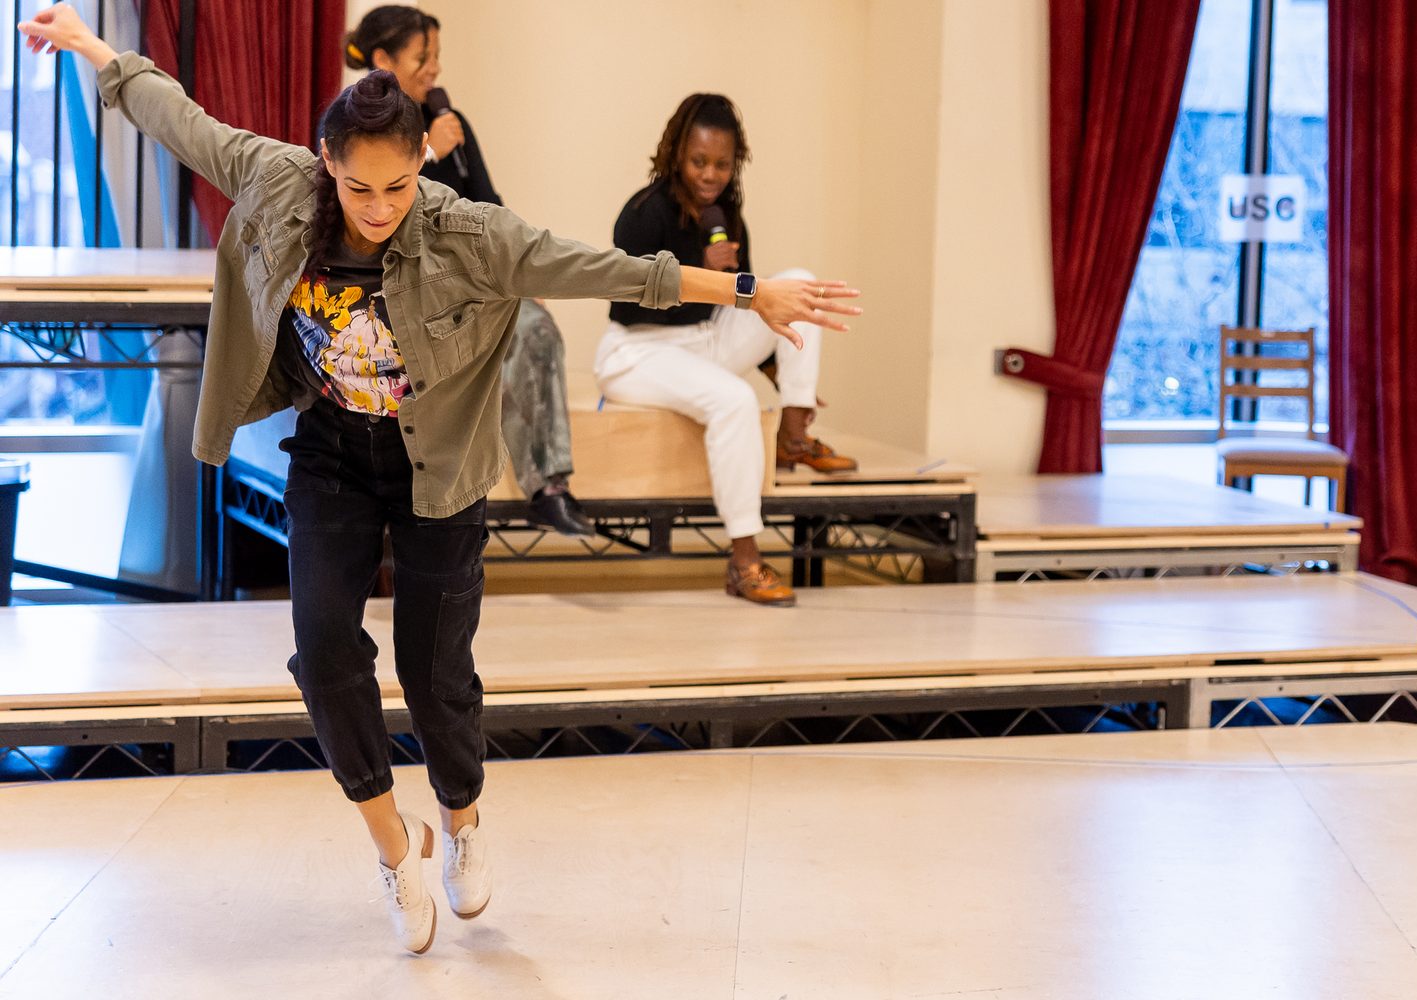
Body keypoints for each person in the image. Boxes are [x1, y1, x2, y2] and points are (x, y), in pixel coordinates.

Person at [17, 3, 859, 955]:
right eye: (357, 187)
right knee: (323, 651)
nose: (378, 208)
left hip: (441, 470)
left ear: (422, 163)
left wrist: (750, 291)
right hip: (333, 452)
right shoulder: (279, 181)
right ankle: (393, 845)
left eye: (397, 186)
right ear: (326, 163)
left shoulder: (471, 235)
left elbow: (609, 269)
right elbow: (179, 119)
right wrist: (89, 43)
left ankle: (460, 820)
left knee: (434, 674)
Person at [599, 94, 857, 608]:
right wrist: (705, 271)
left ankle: (794, 435)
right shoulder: (643, 213)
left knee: (799, 286)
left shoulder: (728, 215)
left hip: (703, 341)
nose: (710, 175)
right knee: (736, 400)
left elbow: (759, 309)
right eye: (699, 161)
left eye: (722, 164)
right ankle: (744, 562)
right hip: (638, 352)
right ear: (677, 154)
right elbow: (629, 304)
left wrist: (786, 378)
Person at [344, 4, 591, 535]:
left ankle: (549, 487)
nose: (435, 69)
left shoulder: (450, 122)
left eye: (437, 56)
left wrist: (523, 273)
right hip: (403, 290)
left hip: (473, 284)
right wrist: (429, 156)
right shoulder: (356, 130)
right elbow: (370, 220)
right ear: (384, 60)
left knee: (536, 328)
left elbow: (490, 207)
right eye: (423, 57)